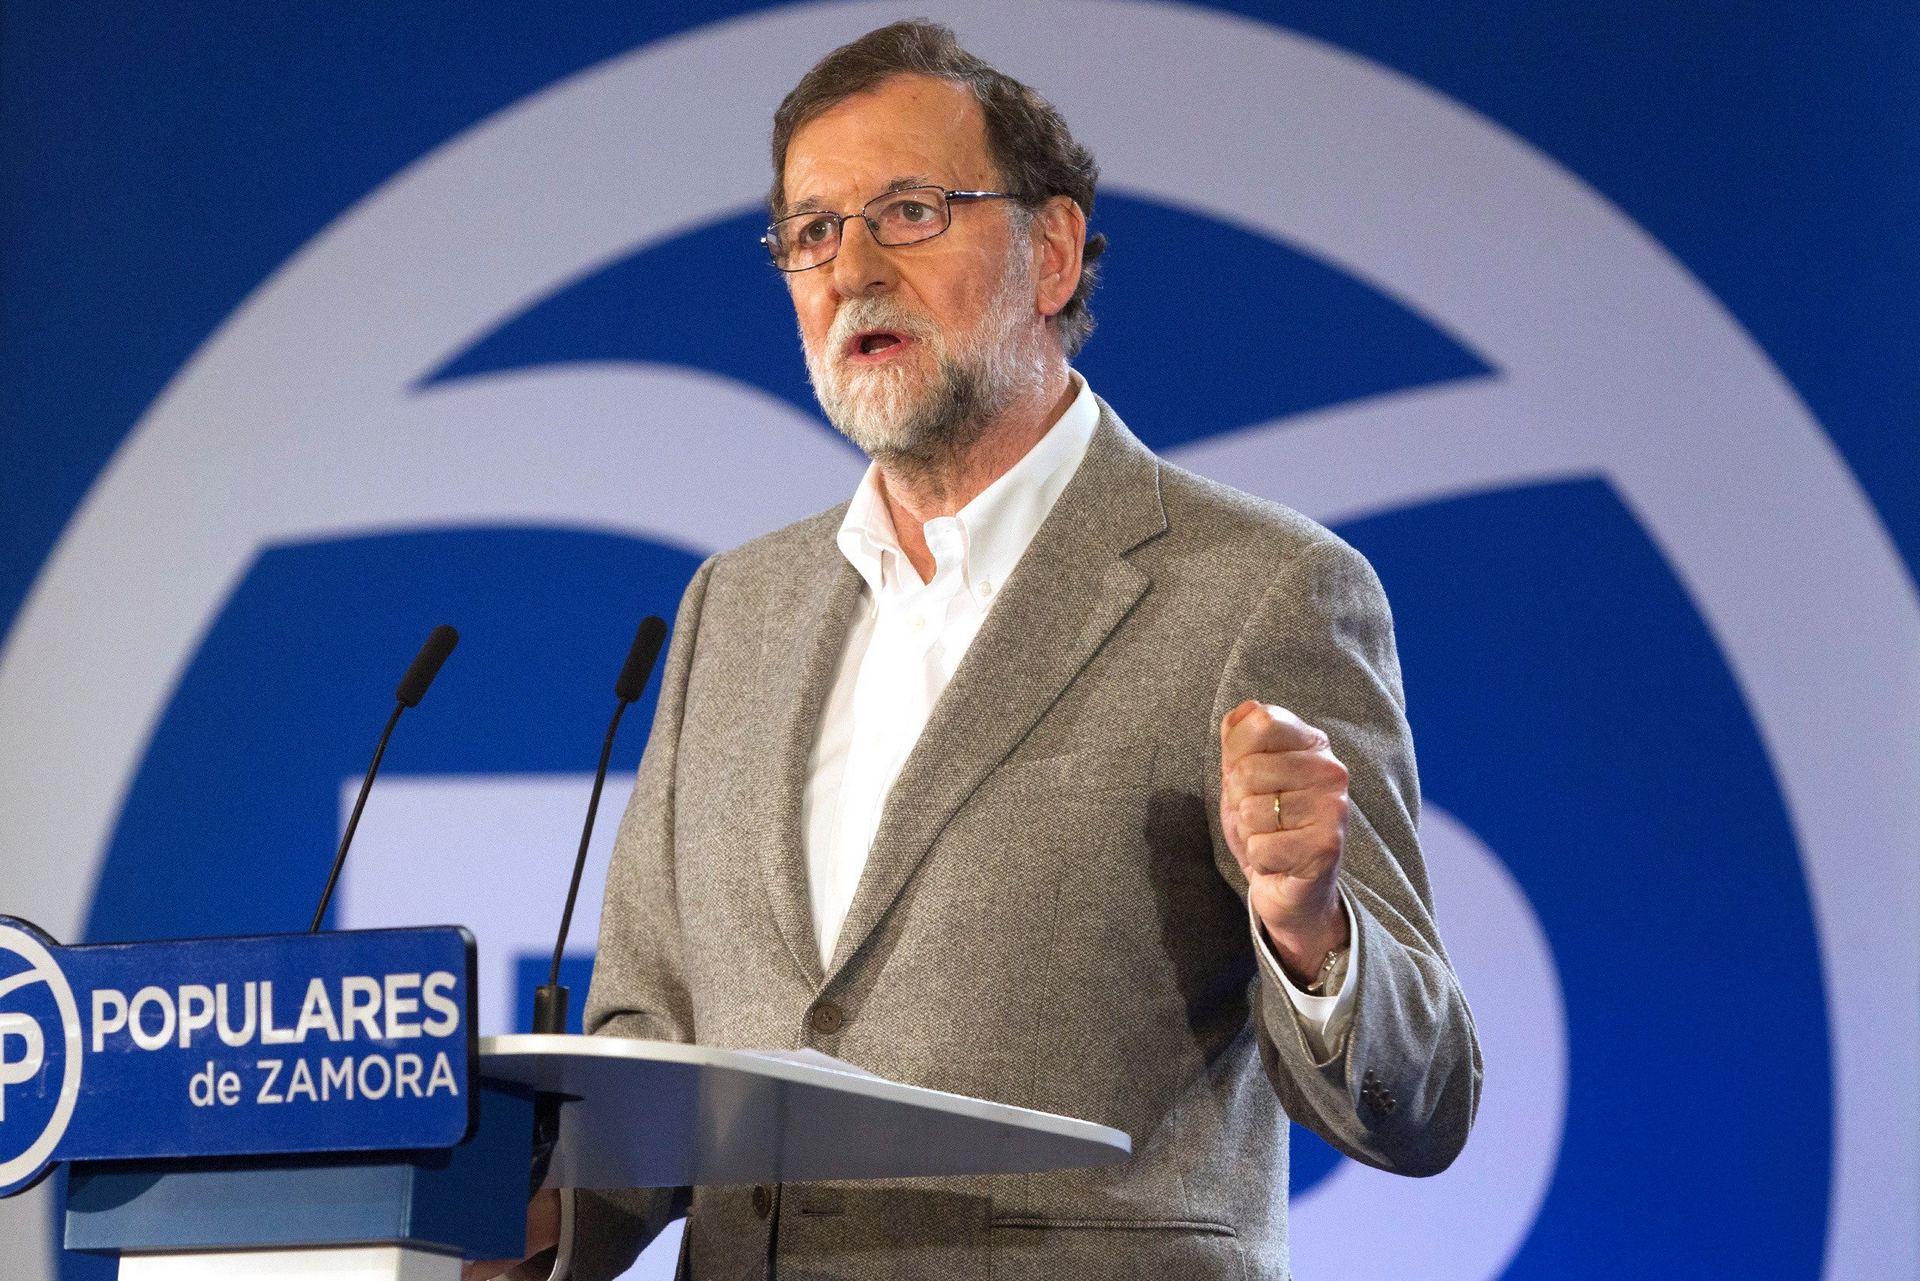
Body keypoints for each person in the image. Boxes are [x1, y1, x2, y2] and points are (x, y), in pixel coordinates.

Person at [476, 19, 1479, 1281]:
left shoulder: (1259, 590)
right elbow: (657, 1038)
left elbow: (1423, 1098)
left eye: (906, 211)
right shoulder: (737, 606)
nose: (849, 271)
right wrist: (523, 1227)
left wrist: (1312, 932)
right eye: (811, 232)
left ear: (1051, 251)